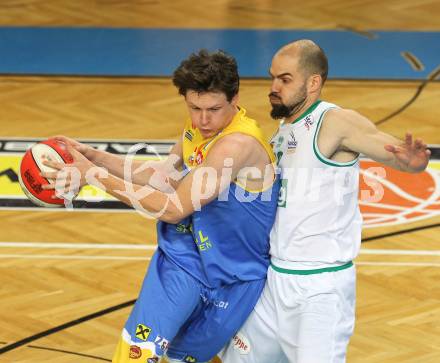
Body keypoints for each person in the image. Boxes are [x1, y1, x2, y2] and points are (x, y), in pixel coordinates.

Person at [42, 50, 280, 363]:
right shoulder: (197, 128)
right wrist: (95, 157)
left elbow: (173, 208)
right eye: (194, 107)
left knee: (185, 357)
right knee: (137, 355)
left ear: (235, 99)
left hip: (234, 275)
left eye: (213, 109)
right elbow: (163, 178)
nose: (203, 119)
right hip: (185, 258)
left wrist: (93, 176)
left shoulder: (237, 145)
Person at [219, 40, 431, 363]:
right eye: (272, 77)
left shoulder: (334, 123)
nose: (273, 87)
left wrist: (410, 162)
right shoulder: (279, 134)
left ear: (313, 82)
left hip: (320, 289)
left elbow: (385, 147)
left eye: (285, 80)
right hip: (274, 279)